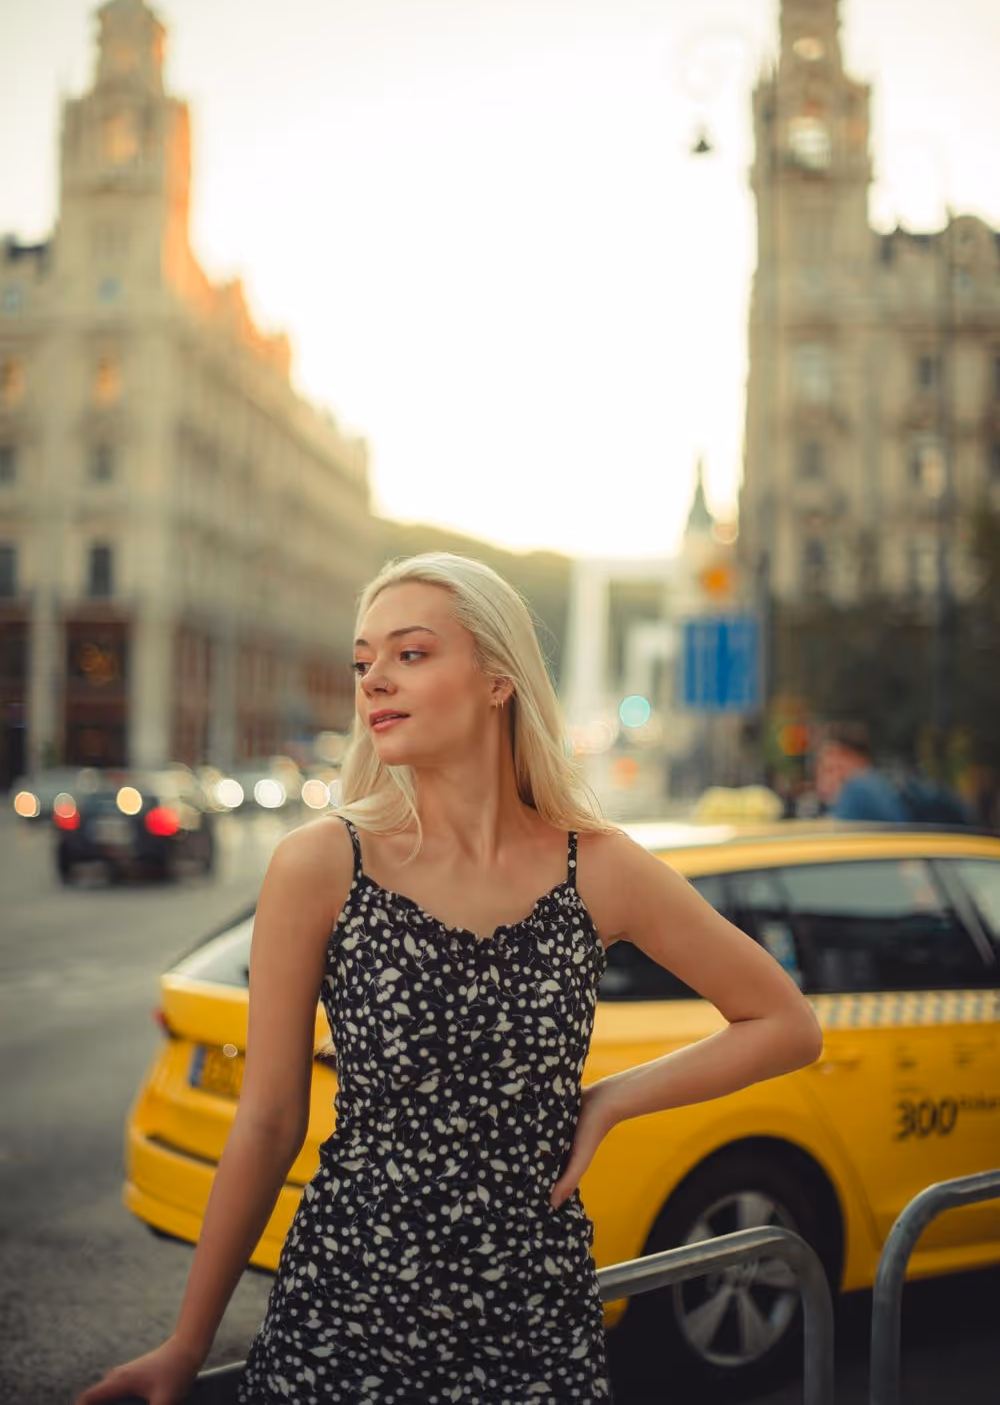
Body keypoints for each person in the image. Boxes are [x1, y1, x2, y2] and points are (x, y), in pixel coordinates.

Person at [76, 552, 822, 1405]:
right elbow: (270, 1121)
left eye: (411, 653)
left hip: (536, 1324)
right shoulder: (321, 864)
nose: (374, 681)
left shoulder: (601, 868)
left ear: (499, 679)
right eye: (364, 661)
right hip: (346, 1315)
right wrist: (186, 1345)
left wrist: (609, 1101)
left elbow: (786, 1024)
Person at [814, 720, 908, 823]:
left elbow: (836, 827)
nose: (827, 778)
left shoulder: (860, 787)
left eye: (831, 769)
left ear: (857, 757)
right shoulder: (877, 783)